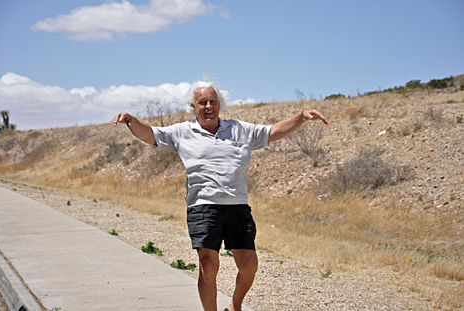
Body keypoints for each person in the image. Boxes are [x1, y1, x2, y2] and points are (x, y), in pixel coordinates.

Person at [113, 80, 328, 311]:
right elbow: (150, 134)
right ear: (193, 106)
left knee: (249, 265)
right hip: (203, 207)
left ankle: (235, 305)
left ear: (219, 105)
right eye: (202, 102)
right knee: (208, 265)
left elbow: (273, 131)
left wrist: (302, 116)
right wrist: (131, 121)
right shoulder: (182, 132)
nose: (208, 106)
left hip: (238, 206)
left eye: (212, 101)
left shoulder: (239, 129)